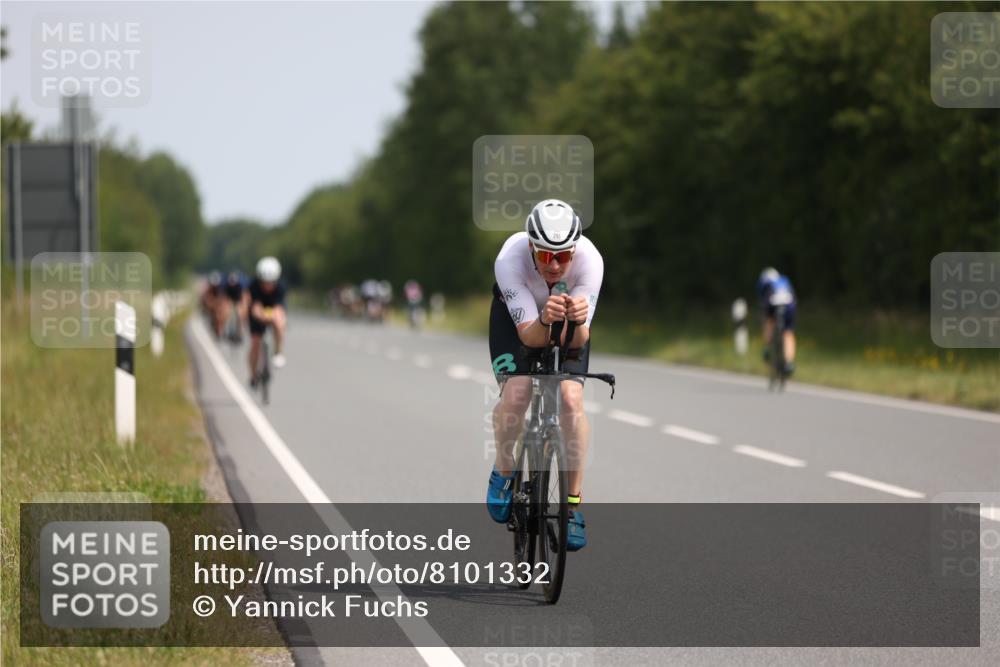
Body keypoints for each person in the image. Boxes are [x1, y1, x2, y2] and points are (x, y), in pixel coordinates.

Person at [486, 199, 603, 551]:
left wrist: (577, 320)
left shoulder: (590, 261)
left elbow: (579, 342)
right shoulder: (510, 259)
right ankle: (505, 470)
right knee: (518, 392)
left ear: (574, 250)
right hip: (517, 322)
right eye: (544, 256)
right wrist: (544, 318)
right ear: (531, 247)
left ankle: (572, 506)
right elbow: (529, 337)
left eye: (563, 257)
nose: (554, 266)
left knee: (570, 399)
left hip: (565, 322)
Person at [248, 257, 288, 385]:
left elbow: (279, 309)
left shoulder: (281, 288)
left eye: (271, 282)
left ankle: (278, 352)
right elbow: (255, 307)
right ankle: (253, 375)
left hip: (273, 311)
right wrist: (261, 316)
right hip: (258, 312)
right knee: (255, 343)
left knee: (279, 323)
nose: (267, 285)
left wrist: (273, 318)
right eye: (264, 282)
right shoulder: (253, 286)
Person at [756, 267, 797, 376]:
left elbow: (762, 299)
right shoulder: (784, 280)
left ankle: (767, 347)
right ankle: (789, 363)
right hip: (789, 303)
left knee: (768, 321)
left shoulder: (765, 281)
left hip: (772, 302)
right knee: (788, 333)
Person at [222, 270, 248, 342]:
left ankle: (240, 333)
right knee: (226, 313)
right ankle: (225, 330)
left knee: (239, 315)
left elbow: (244, 297)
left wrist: (243, 307)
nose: (232, 283)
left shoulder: (240, 286)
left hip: (238, 300)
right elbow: (224, 298)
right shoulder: (227, 286)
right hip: (230, 300)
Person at [201, 271, 224, 338]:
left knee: (220, 316)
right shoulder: (208, 288)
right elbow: (206, 298)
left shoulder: (220, 289)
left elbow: (222, 298)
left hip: (217, 305)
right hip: (211, 305)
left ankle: (219, 330)